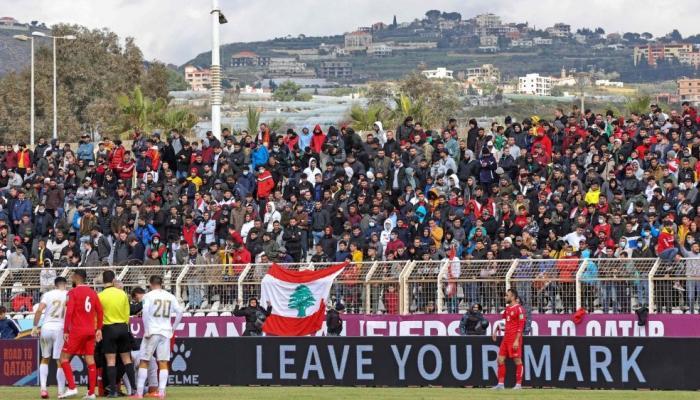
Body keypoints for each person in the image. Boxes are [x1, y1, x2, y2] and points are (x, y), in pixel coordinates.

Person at [131, 275, 183, 399]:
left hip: (152, 331)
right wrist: (173, 327)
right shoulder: (170, 296)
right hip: (165, 332)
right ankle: (161, 392)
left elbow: (145, 312)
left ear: (150, 284)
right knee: (163, 362)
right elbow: (180, 312)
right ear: (161, 284)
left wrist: (147, 329)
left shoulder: (148, 296)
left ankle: (139, 393)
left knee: (144, 360)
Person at [58, 269, 104, 399]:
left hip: (77, 331)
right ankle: (91, 393)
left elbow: (69, 312)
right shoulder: (93, 292)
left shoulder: (72, 292)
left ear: (76, 277)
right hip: (90, 331)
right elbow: (100, 312)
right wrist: (99, 328)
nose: (71, 277)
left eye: (72, 276)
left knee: (64, 358)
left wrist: (66, 330)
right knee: (90, 360)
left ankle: (72, 387)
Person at [98, 270, 137, 397]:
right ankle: (134, 389)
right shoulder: (122, 294)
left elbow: (98, 315)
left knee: (111, 361)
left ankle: (113, 391)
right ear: (114, 279)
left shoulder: (100, 296)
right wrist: (125, 326)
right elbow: (127, 313)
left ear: (103, 281)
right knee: (127, 359)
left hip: (108, 328)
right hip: (122, 327)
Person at [32, 276, 69, 399]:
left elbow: (39, 311)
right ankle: (60, 391)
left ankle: (43, 389)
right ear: (65, 284)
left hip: (46, 328)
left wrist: (35, 326)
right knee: (60, 360)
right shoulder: (68, 294)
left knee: (45, 358)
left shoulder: (48, 294)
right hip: (60, 328)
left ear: (55, 285)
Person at [491, 288, 525, 390]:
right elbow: (503, 323)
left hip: (514, 339)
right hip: (506, 338)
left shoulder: (519, 309)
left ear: (513, 297)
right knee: (500, 360)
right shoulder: (507, 309)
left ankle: (518, 384)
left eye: (507, 295)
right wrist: (496, 330)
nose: (505, 297)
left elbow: (521, 326)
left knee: (517, 361)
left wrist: (516, 340)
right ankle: (501, 384)